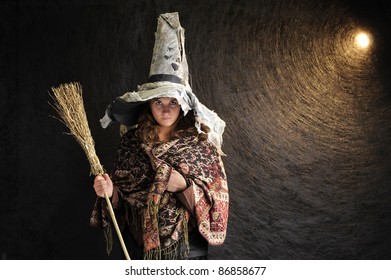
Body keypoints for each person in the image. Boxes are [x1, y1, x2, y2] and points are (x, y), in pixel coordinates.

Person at [89, 12, 229, 260]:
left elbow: (216, 204)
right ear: (148, 105)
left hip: (188, 254)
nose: (165, 110)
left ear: (183, 106)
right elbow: (122, 205)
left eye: (173, 102)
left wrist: (183, 186)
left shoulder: (200, 145)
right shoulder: (131, 144)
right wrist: (110, 193)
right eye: (158, 102)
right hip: (138, 251)